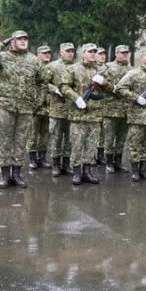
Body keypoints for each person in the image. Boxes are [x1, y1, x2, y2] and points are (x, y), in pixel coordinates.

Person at [0, 30, 44, 189]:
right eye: (19, 39)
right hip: (5, 106)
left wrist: (39, 102)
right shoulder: (3, 57)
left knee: (21, 142)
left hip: (26, 108)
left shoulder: (34, 61)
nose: (23, 41)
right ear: (13, 41)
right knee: (5, 140)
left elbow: (43, 81)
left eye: (25, 39)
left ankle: (17, 174)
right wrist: (2, 43)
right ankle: (5, 175)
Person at [114, 49, 146, 182]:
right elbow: (120, 88)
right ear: (142, 58)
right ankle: (135, 170)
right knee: (135, 145)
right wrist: (136, 98)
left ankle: (143, 169)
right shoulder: (133, 73)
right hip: (138, 116)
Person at [60, 43, 104, 185]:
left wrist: (104, 83)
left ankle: (87, 171)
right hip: (78, 115)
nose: (93, 54)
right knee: (77, 144)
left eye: (95, 52)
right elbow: (63, 86)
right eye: (90, 52)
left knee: (91, 145)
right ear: (83, 53)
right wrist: (76, 98)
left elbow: (110, 90)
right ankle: (77, 172)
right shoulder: (73, 69)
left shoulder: (101, 70)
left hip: (95, 114)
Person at [44, 42, 76, 177]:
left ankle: (66, 163)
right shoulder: (52, 66)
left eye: (72, 51)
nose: (70, 53)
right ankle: (56, 164)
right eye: (67, 51)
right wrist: (55, 89)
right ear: (60, 52)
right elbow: (43, 82)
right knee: (56, 137)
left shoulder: (76, 67)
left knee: (69, 138)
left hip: (72, 109)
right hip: (57, 109)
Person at [102, 44, 132, 174]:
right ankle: (108, 162)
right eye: (122, 53)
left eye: (126, 53)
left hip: (126, 110)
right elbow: (98, 82)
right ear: (116, 53)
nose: (125, 55)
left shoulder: (131, 69)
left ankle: (118, 161)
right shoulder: (107, 67)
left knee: (121, 137)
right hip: (111, 108)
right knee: (109, 137)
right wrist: (112, 88)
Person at [27, 45, 53, 170]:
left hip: (49, 107)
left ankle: (42, 157)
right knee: (33, 134)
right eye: (44, 53)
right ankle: (32, 158)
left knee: (45, 134)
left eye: (48, 53)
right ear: (38, 54)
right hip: (35, 106)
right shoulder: (33, 67)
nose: (47, 55)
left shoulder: (52, 68)